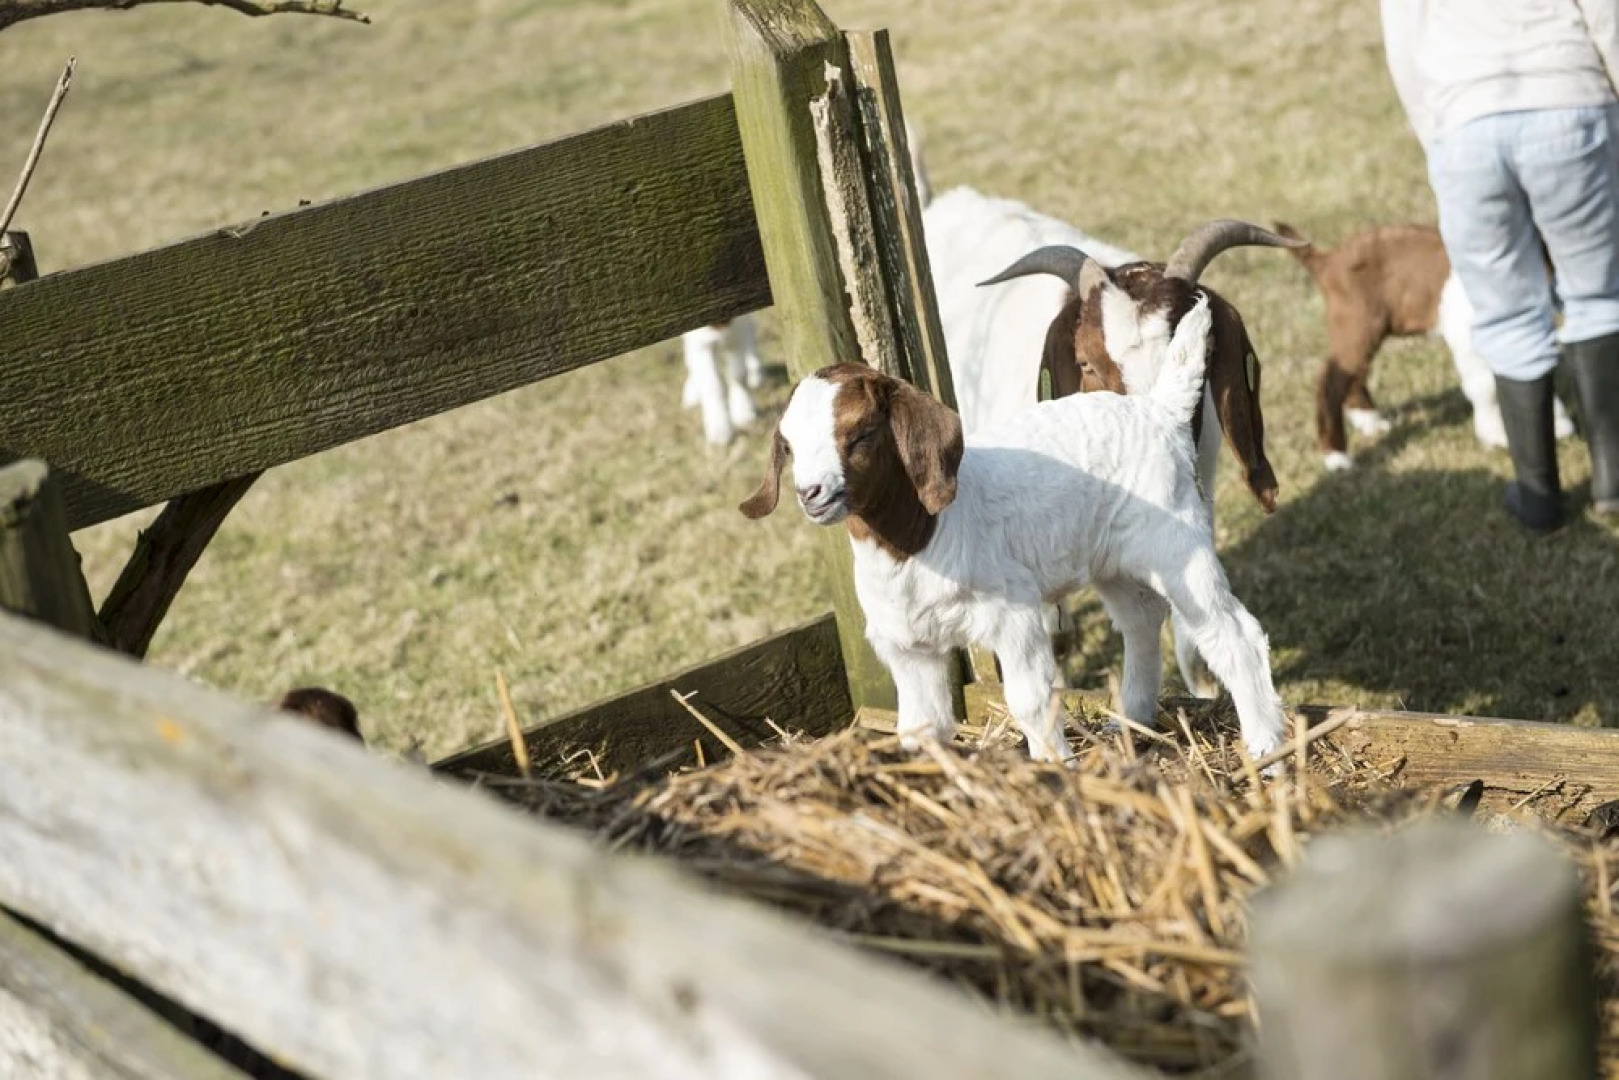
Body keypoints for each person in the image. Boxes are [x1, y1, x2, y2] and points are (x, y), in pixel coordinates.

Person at [1381, 0, 1619, 533]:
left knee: (1506, 312)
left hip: (1463, 122)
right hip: (1568, 99)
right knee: (1599, 294)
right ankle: (1614, 478)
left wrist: (1439, 136)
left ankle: (1538, 498)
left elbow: (1403, 44)